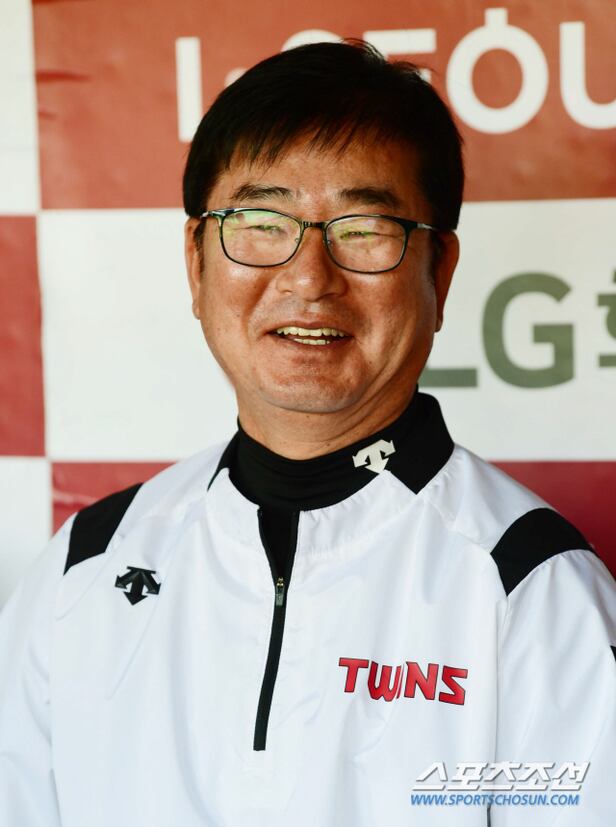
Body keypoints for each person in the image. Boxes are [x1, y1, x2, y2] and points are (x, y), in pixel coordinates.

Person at [0, 40, 614, 827]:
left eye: (362, 228)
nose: (308, 278)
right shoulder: (87, 566)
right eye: (260, 221)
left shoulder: (529, 588)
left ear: (440, 271)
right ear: (196, 262)